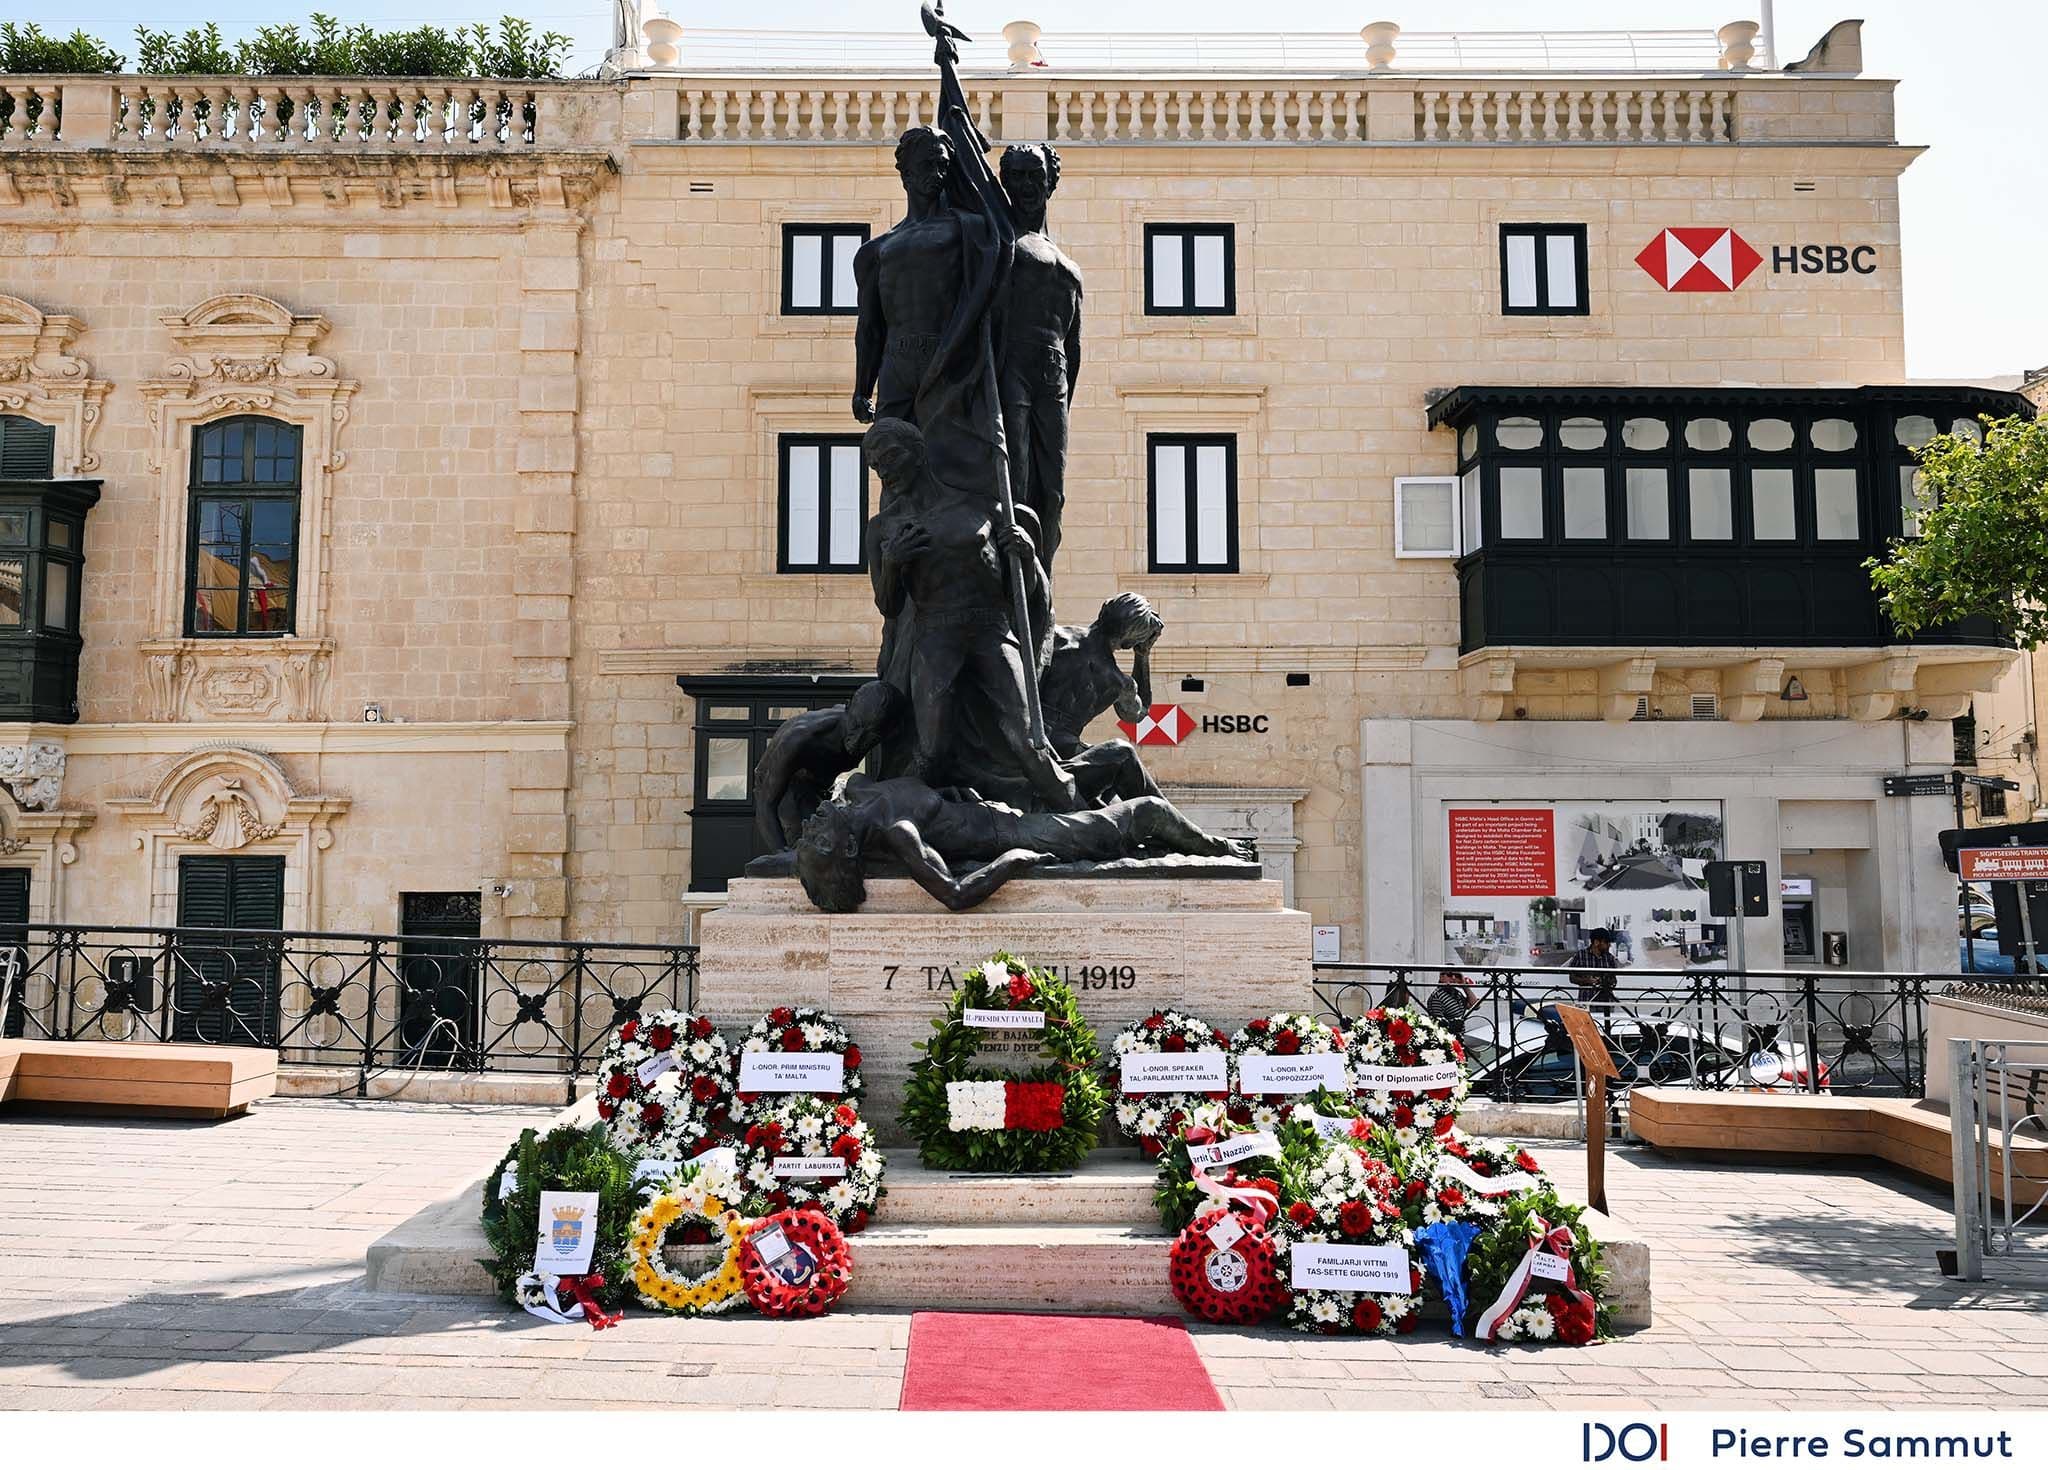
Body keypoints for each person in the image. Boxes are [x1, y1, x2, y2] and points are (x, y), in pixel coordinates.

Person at [863, 418, 1079, 813]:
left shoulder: (984, 506)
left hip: (991, 631)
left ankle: (1083, 818)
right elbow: (888, 606)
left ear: (919, 451)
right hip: (934, 636)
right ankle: (890, 816)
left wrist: (1027, 554)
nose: (886, 471)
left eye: (891, 457)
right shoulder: (883, 528)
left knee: (1029, 738)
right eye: (876, 466)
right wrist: (893, 563)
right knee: (932, 749)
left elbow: (1022, 592)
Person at [793, 776, 1254, 913]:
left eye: (808, 833)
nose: (810, 823)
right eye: (818, 836)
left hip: (999, 807)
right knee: (1146, 811)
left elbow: (934, 796)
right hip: (1016, 834)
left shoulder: (856, 789)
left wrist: (957, 795)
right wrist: (1011, 861)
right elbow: (955, 895)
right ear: (849, 849)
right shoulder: (899, 831)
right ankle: (1217, 848)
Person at [995, 143, 1082, 570]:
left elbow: (1075, 345)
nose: (1027, 184)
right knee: (1017, 482)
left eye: (1035, 175)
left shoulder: (1069, 266)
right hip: (1012, 368)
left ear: (1051, 181)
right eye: (1018, 176)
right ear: (1005, 183)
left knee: (1053, 493)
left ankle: (1039, 583)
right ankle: (1011, 579)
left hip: (1055, 379)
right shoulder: (998, 242)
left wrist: (1064, 397)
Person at [1039, 592, 1165, 803]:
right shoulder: (1117, 681)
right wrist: (1142, 656)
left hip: (1026, 734)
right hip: (1063, 751)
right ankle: (1169, 822)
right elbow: (1138, 714)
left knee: (1111, 796)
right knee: (1120, 770)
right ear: (1131, 640)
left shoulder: (1054, 637)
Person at [750, 681, 906, 851]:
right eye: (856, 726)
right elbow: (766, 803)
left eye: (871, 735)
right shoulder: (800, 740)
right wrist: (780, 853)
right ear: (848, 708)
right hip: (788, 787)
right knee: (814, 849)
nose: (858, 740)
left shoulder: (869, 722)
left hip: (821, 788)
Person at [1566, 927, 1622, 1008]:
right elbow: (1572, 978)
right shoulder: (1580, 955)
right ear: (1596, 942)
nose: (1609, 945)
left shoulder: (1610, 958)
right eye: (1606, 942)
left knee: (1607, 1020)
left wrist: (1604, 981)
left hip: (1605, 1002)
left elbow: (1614, 980)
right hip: (1586, 1001)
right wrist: (1586, 980)